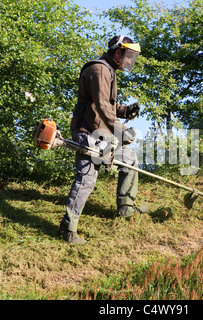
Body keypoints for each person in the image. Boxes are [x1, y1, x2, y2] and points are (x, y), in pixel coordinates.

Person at [59, 35, 142, 244]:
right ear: (118, 52)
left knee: (129, 160)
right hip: (87, 133)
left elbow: (107, 105)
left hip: (102, 134)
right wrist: (122, 131)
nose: (130, 61)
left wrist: (125, 111)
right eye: (129, 55)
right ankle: (68, 228)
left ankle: (126, 207)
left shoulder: (108, 70)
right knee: (86, 178)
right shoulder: (100, 69)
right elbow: (103, 107)